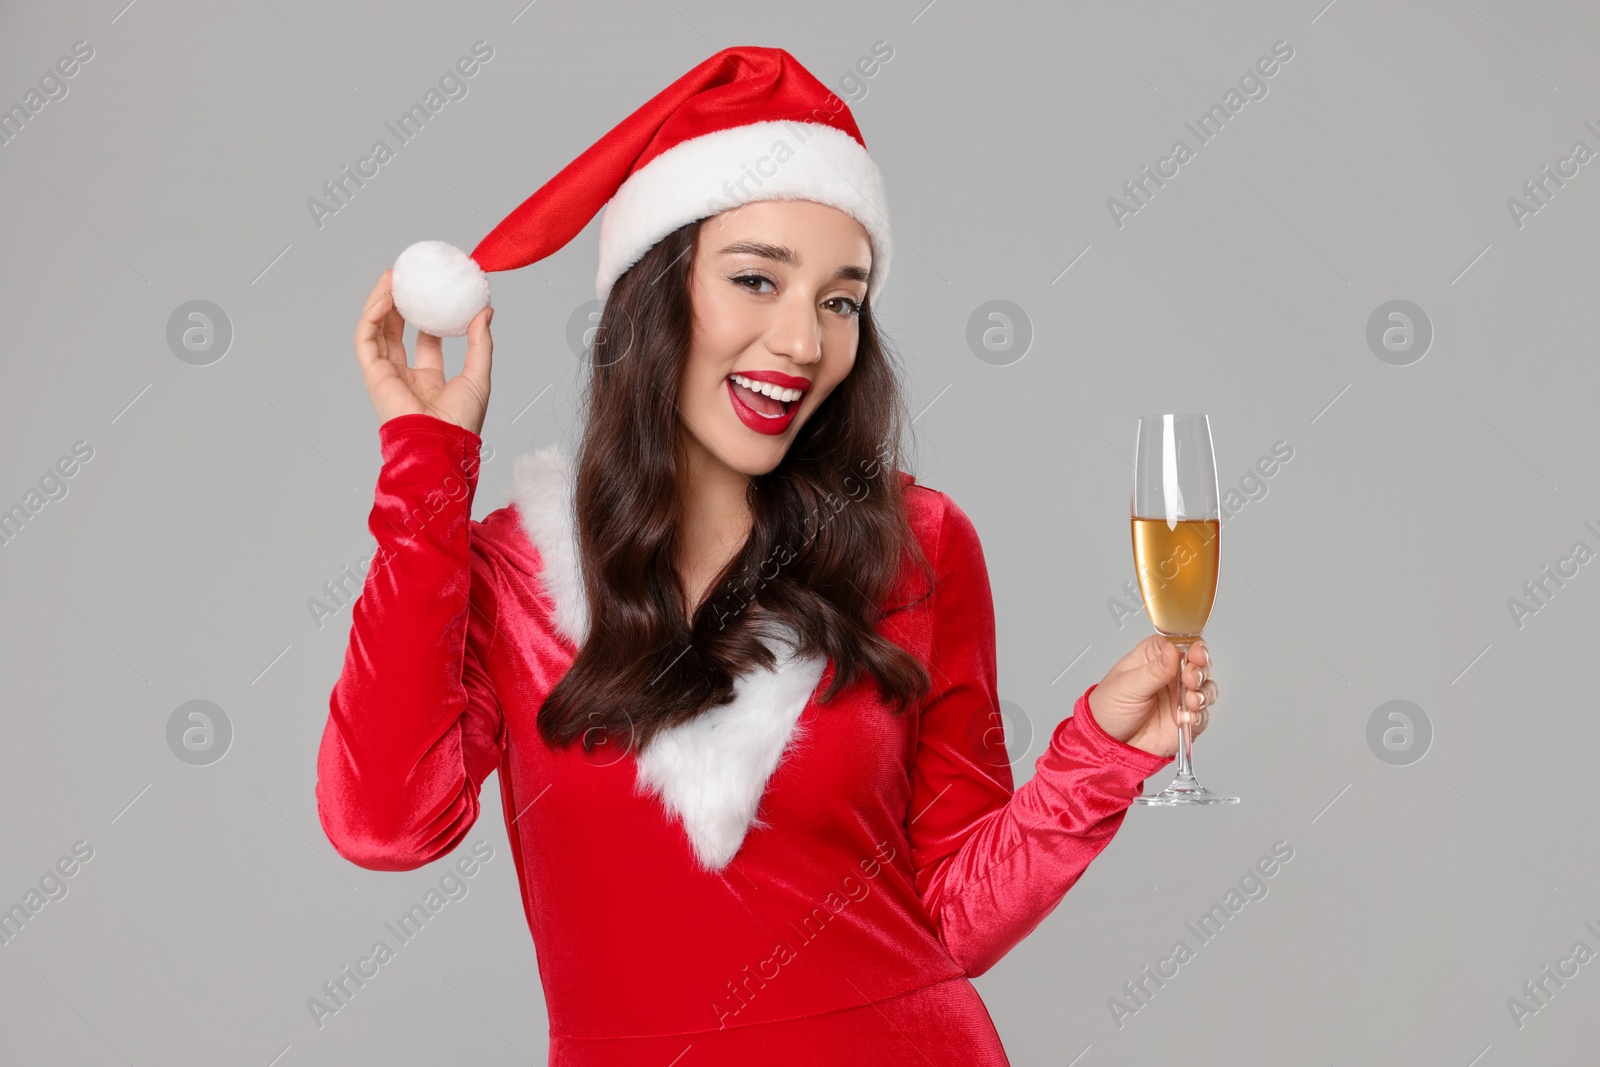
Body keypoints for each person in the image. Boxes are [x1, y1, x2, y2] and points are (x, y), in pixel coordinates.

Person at [316, 46, 1218, 1066]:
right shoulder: (512, 571)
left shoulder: (918, 545)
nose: (801, 341)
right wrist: (425, 470)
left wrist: (1098, 751)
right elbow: (384, 821)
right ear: (657, 293)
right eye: (756, 279)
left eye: (841, 300)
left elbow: (952, 917)